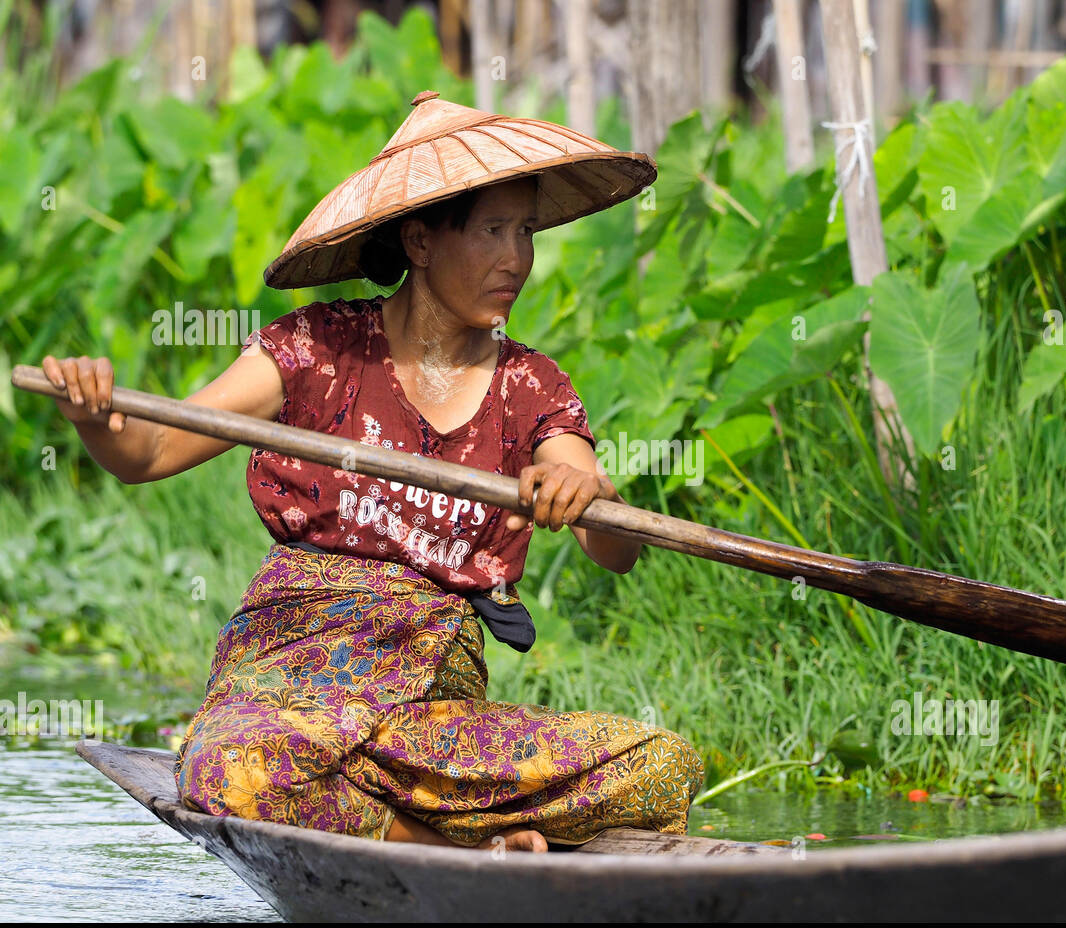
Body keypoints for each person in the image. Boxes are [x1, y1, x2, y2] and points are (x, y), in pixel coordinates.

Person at [42, 92, 704, 853]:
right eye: (491, 230)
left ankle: (384, 803)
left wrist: (588, 494)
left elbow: (610, 539)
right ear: (420, 241)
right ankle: (448, 844)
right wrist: (95, 418)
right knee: (232, 768)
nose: (515, 258)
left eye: (523, 231)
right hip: (294, 677)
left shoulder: (533, 386)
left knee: (662, 767)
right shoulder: (315, 348)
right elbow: (149, 452)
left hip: (431, 716)